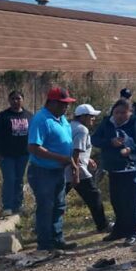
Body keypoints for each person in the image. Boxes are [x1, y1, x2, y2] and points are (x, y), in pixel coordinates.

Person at [26, 87, 78, 251]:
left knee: (59, 206)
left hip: (58, 171)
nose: (66, 107)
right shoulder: (41, 119)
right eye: (63, 103)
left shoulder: (61, 119)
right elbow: (34, 147)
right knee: (46, 207)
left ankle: (57, 239)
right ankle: (45, 244)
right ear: (52, 102)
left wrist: (71, 162)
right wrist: (61, 158)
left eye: (67, 104)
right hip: (43, 172)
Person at [92, 99, 136, 246]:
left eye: (123, 112)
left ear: (130, 112)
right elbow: (94, 139)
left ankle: (132, 232)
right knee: (116, 200)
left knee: (131, 202)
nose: (119, 115)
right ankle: (119, 230)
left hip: (132, 169)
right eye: (117, 112)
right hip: (113, 168)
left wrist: (130, 149)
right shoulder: (107, 123)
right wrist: (110, 142)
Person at [64, 104, 109, 233]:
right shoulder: (82, 129)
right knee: (94, 196)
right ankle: (103, 225)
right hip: (77, 169)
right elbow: (76, 151)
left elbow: (73, 147)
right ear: (83, 116)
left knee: (57, 199)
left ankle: (42, 228)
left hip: (68, 168)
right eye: (91, 116)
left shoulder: (70, 126)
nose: (93, 119)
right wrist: (76, 173)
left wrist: (87, 159)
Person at [0, 90, 33, 216]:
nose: (16, 101)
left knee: (19, 179)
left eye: (18, 98)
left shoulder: (29, 116)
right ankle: (7, 206)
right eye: (13, 99)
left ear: (23, 99)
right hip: (7, 155)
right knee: (9, 179)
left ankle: (18, 205)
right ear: (9, 100)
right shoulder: (3, 116)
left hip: (23, 154)